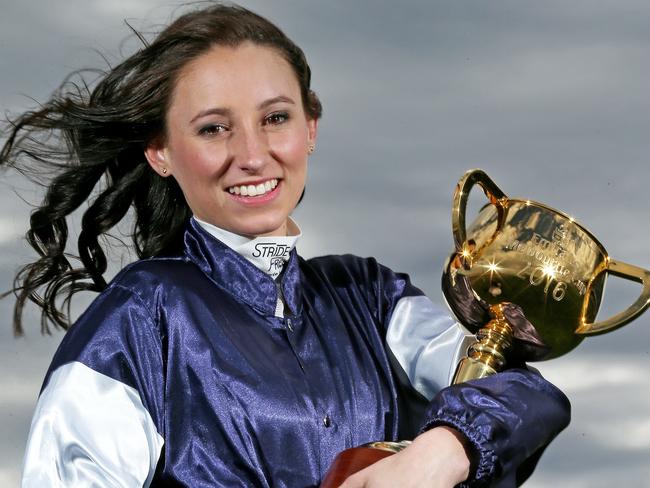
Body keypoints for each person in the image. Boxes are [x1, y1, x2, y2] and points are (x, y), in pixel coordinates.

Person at [1, 4, 570, 487]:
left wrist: (443, 450)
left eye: (275, 118)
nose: (252, 154)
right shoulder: (138, 318)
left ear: (311, 129)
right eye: (213, 128)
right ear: (161, 153)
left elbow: (524, 391)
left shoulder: (368, 296)